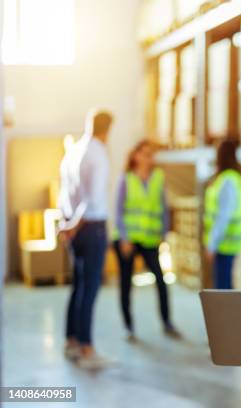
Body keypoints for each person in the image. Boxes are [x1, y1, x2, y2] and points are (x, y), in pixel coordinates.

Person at [58, 108, 113, 369]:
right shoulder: (98, 154)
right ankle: (87, 347)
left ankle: (71, 341)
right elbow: (92, 200)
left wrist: (66, 225)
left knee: (77, 286)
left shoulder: (73, 151)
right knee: (89, 288)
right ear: (108, 129)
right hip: (90, 228)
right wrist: (75, 225)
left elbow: (64, 195)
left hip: (74, 228)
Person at [112, 140, 180, 340]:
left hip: (151, 240)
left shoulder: (158, 177)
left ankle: (167, 322)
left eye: (150, 154)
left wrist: (164, 235)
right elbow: (118, 211)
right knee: (126, 283)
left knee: (161, 280)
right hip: (128, 240)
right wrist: (124, 238)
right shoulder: (126, 179)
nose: (147, 157)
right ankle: (128, 326)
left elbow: (164, 209)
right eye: (143, 153)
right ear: (135, 156)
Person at [203, 140, 241, 289]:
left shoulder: (227, 180)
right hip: (229, 242)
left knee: (223, 289)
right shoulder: (232, 177)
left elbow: (223, 216)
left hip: (224, 243)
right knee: (226, 287)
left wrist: (211, 244)